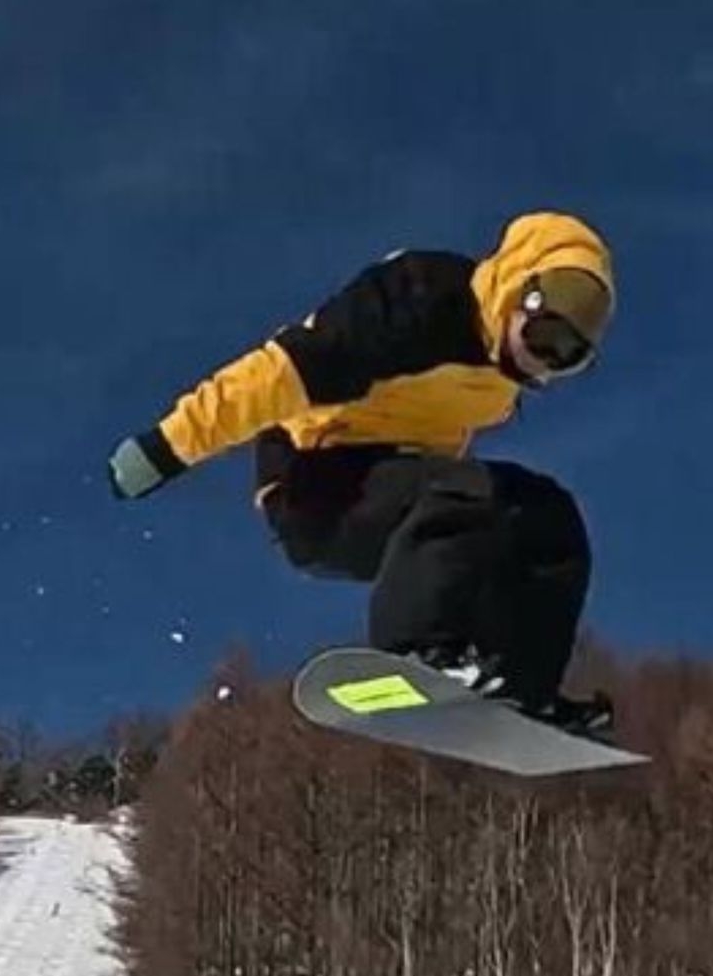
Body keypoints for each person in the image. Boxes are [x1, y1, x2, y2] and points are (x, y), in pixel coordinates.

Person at [106, 211, 618, 737]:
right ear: (519, 290)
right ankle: (413, 651)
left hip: (403, 495)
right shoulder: (413, 303)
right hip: (314, 484)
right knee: (472, 494)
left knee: (548, 515)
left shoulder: (500, 380)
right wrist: (165, 447)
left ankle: (524, 685)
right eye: (544, 337)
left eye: (567, 358)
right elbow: (272, 377)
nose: (543, 363)